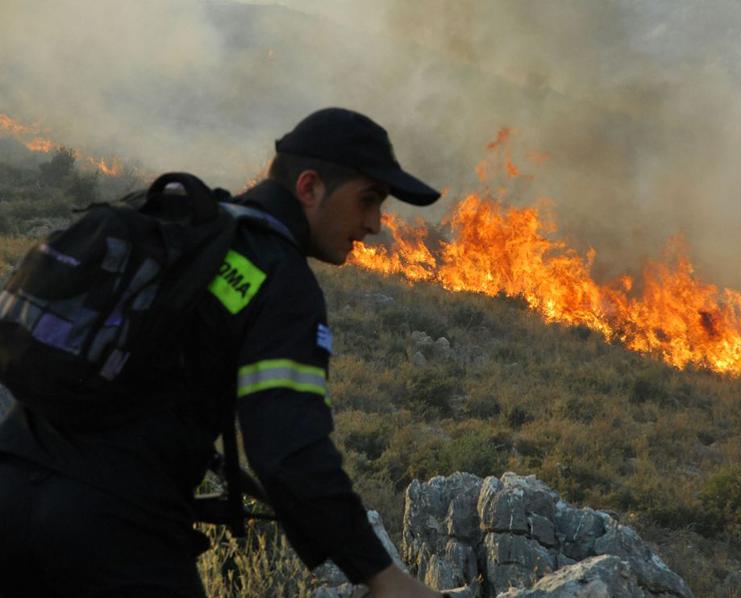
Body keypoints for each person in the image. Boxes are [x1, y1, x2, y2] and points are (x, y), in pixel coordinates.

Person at [0, 108, 444, 597]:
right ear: (310, 186)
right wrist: (382, 574)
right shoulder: (276, 275)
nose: (376, 224)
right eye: (368, 200)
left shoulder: (186, 233)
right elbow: (288, 452)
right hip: (117, 532)